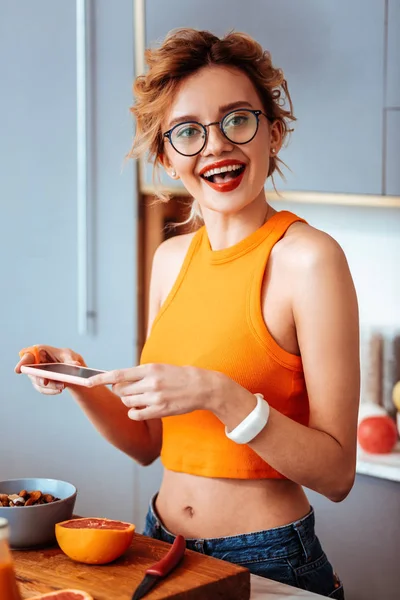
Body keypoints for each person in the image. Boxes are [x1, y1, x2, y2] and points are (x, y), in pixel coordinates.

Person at [15, 29, 359, 598]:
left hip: (267, 555)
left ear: (272, 133)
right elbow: (150, 441)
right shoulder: (171, 259)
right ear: (165, 157)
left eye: (238, 120)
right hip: (159, 541)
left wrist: (222, 396)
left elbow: (338, 474)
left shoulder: (309, 259)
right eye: (188, 133)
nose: (217, 146)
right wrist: (83, 381)